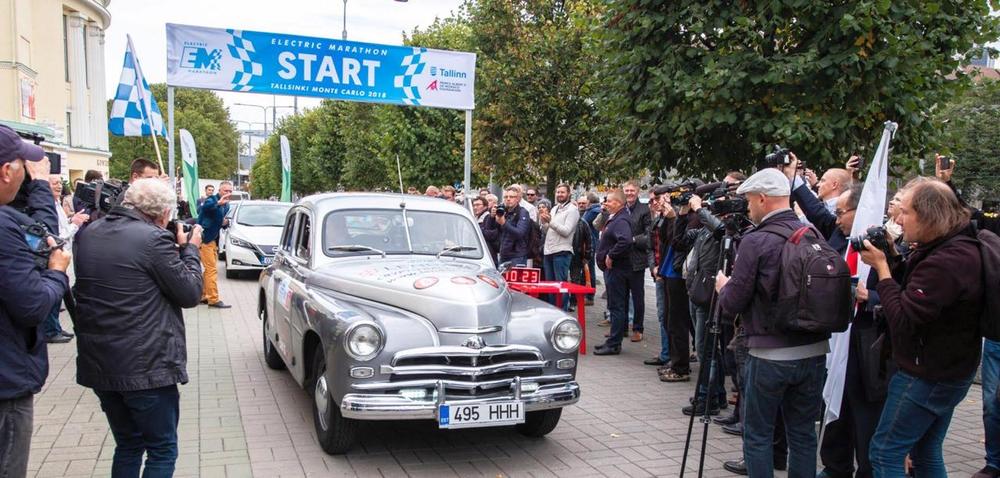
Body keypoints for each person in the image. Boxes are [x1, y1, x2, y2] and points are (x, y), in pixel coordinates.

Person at [73, 178, 204, 478]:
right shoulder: (152, 240)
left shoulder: (90, 232)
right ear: (164, 213)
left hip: (101, 362)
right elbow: (189, 293)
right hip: (146, 367)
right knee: (162, 449)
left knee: (129, 445)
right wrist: (190, 250)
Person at [859, 177, 984, 477]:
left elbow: (904, 320)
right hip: (949, 369)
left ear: (929, 215)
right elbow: (921, 294)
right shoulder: (954, 243)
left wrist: (883, 270)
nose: (897, 220)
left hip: (926, 374)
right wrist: (894, 258)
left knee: (885, 452)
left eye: (905, 212)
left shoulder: (947, 260)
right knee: (926, 452)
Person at [716, 168, 828, 477]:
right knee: (803, 435)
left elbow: (732, 303)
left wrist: (723, 287)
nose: (748, 207)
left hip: (769, 354)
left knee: (758, 435)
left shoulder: (756, 240)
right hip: (814, 350)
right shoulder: (812, 233)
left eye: (750, 200)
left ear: (763, 198)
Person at [0, 126, 72, 478]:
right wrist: (58, 273)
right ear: (6, 171)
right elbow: (32, 303)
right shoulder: (3, 228)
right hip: (6, 383)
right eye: (22, 166)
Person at [42, 174, 89, 344]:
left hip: (63, 254)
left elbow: (62, 227)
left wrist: (71, 220)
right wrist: (75, 223)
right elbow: (57, 235)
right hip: (56, 256)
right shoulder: (47, 207)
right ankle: (50, 330)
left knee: (60, 293)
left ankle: (55, 328)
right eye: (54, 183)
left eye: (60, 183)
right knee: (56, 295)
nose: (59, 186)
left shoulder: (56, 204)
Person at [594, 189, 633, 355]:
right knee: (617, 305)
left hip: (617, 269)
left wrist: (611, 255)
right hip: (614, 269)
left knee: (616, 306)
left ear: (618, 203)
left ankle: (614, 343)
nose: (606, 204)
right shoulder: (616, 217)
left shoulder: (622, 219)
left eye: (609, 201)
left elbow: (625, 240)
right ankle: (613, 340)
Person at [540, 184, 579, 309]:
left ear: (568, 194)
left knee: (561, 284)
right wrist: (544, 221)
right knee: (550, 285)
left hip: (562, 251)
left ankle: (562, 310)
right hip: (549, 250)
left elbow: (566, 231)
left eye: (562, 192)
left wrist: (550, 222)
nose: (559, 195)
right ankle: (553, 310)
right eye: (557, 192)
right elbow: (548, 231)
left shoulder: (572, 210)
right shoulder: (554, 208)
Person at [197, 181, 233, 308]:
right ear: (219, 191)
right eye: (225, 191)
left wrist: (224, 222)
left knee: (209, 270)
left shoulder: (227, 206)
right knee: (211, 270)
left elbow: (218, 220)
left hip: (213, 240)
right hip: (204, 239)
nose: (228, 193)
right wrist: (218, 203)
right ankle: (213, 299)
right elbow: (205, 208)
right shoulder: (211, 199)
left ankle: (203, 295)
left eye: (230, 191)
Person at [622, 180, 650, 342]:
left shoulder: (644, 210)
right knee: (621, 296)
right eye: (627, 191)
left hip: (637, 260)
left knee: (637, 296)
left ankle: (638, 328)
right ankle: (622, 327)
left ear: (638, 192)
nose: (629, 193)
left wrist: (632, 239)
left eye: (632, 191)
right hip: (621, 259)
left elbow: (649, 235)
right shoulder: (620, 209)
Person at [496, 186, 531, 265]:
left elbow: (520, 233)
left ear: (518, 199)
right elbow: (494, 231)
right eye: (506, 197)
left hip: (517, 256)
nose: (508, 199)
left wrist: (504, 223)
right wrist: (492, 217)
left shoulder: (523, 212)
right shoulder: (503, 211)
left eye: (511, 197)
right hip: (504, 254)